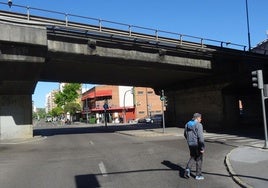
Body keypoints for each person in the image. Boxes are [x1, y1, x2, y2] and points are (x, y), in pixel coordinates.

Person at [184, 113, 205, 180]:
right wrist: (202, 147)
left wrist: (189, 140)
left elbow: (185, 134)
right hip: (197, 144)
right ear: (197, 118)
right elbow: (200, 137)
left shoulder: (187, 124)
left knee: (193, 156)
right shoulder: (199, 125)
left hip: (190, 144)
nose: (201, 119)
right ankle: (198, 175)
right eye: (200, 118)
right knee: (199, 159)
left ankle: (187, 169)